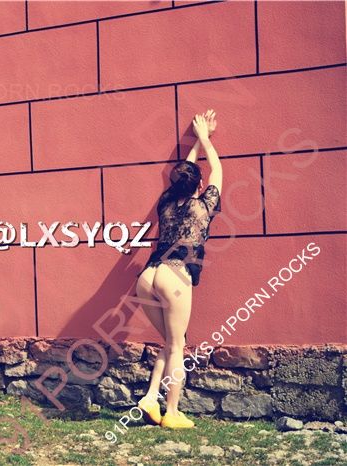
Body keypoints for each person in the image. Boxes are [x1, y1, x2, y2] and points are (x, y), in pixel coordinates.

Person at [133, 109, 222, 429]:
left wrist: (197, 142)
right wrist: (205, 139)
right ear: (200, 185)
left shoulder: (166, 202)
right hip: (175, 274)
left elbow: (187, 172)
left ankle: (150, 397)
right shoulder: (204, 205)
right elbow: (217, 169)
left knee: (173, 341)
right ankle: (172, 412)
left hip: (149, 275)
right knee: (177, 347)